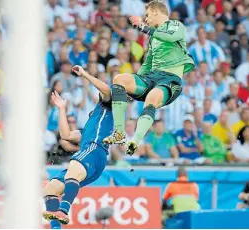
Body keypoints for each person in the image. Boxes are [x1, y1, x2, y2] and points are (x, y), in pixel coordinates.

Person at [103, 1, 195, 156]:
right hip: (152, 77)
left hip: (170, 80)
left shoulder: (176, 25)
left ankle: (136, 140)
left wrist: (143, 27)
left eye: (147, 15)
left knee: (152, 98)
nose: (146, 19)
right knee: (119, 79)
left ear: (156, 12)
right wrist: (134, 84)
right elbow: (148, 63)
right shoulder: (153, 38)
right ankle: (119, 132)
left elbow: (170, 38)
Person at [42, 65, 113, 227]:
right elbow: (66, 135)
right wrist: (61, 109)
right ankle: (55, 227)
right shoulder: (88, 129)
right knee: (51, 188)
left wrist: (85, 75)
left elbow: (106, 89)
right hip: (90, 160)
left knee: (73, 166)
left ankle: (64, 210)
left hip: (95, 151)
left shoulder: (106, 108)